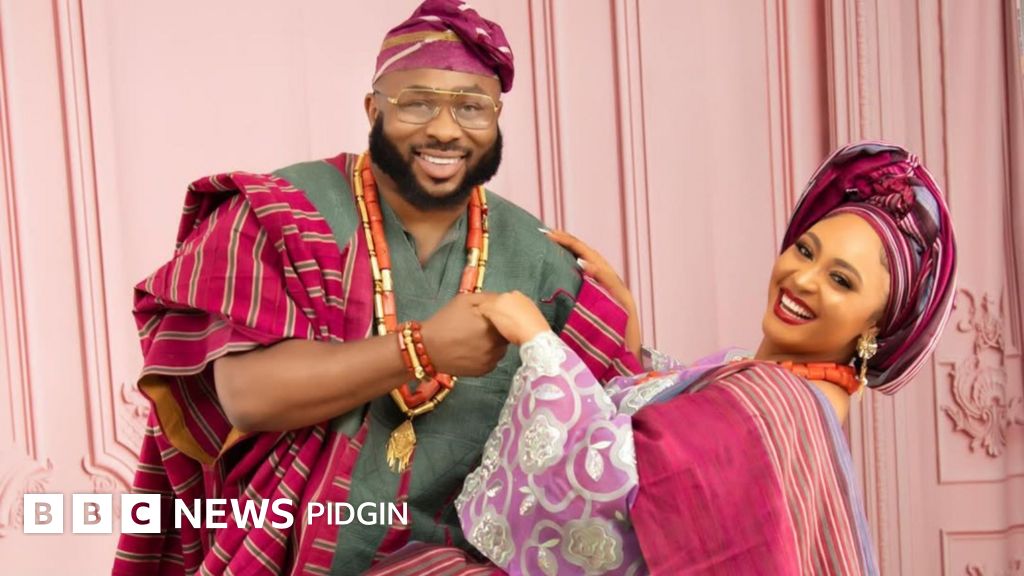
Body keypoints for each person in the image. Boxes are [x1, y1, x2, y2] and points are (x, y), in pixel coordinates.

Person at [111, 2, 639, 575]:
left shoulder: (539, 261)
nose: (445, 129)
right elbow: (247, 396)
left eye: (471, 106)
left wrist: (625, 319)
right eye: (417, 102)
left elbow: (603, 445)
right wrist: (421, 349)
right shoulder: (280, 215)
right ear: (373, 109)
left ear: (496, 118)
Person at [365, 141, 954, 575]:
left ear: (876, 325)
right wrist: (631, 341)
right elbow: (683, 489)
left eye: (842, 280)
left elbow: (618, 492)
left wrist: (538, 343)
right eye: (805, 250)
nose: (802, 279)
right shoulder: (787, 389)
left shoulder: (784, 401)